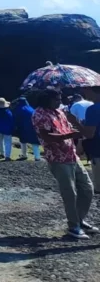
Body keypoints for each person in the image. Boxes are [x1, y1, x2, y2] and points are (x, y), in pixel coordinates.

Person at [33, 88, 96, 240]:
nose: (60, 101)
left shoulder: (60, 112)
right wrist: (70, 135)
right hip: (57, 158)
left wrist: (77, 130)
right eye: (56, 98)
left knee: (87, 188)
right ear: (46, 99)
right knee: (70, 193)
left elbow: (67, 129)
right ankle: (73, 226)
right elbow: (46, 137)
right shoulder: (39, 114)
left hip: (71, 155)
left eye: (60, 98)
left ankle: (79, 220)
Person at [12, 96, 41, 161]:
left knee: (23, 141)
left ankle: (24, 155)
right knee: (34, 142)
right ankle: (37, 157)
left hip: (22, 127)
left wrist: (15, 127)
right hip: (32, 127)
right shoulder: (30, 108)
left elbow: (15, 119)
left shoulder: (19, 109)